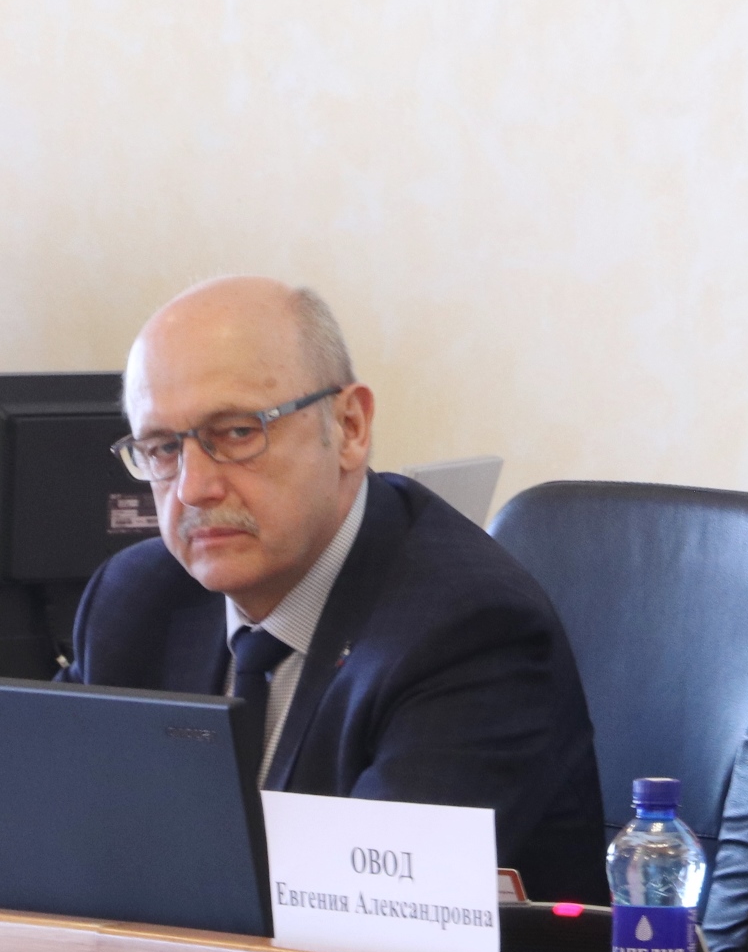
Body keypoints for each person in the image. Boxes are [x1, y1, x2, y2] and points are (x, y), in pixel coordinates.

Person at [63, 276, 607, 903]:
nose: (193, 488)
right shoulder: (136, 599)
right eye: (163, 448)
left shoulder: (470, 630)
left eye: (237, 433)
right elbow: (47, 829)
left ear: (349, 426)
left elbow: (367, 915)